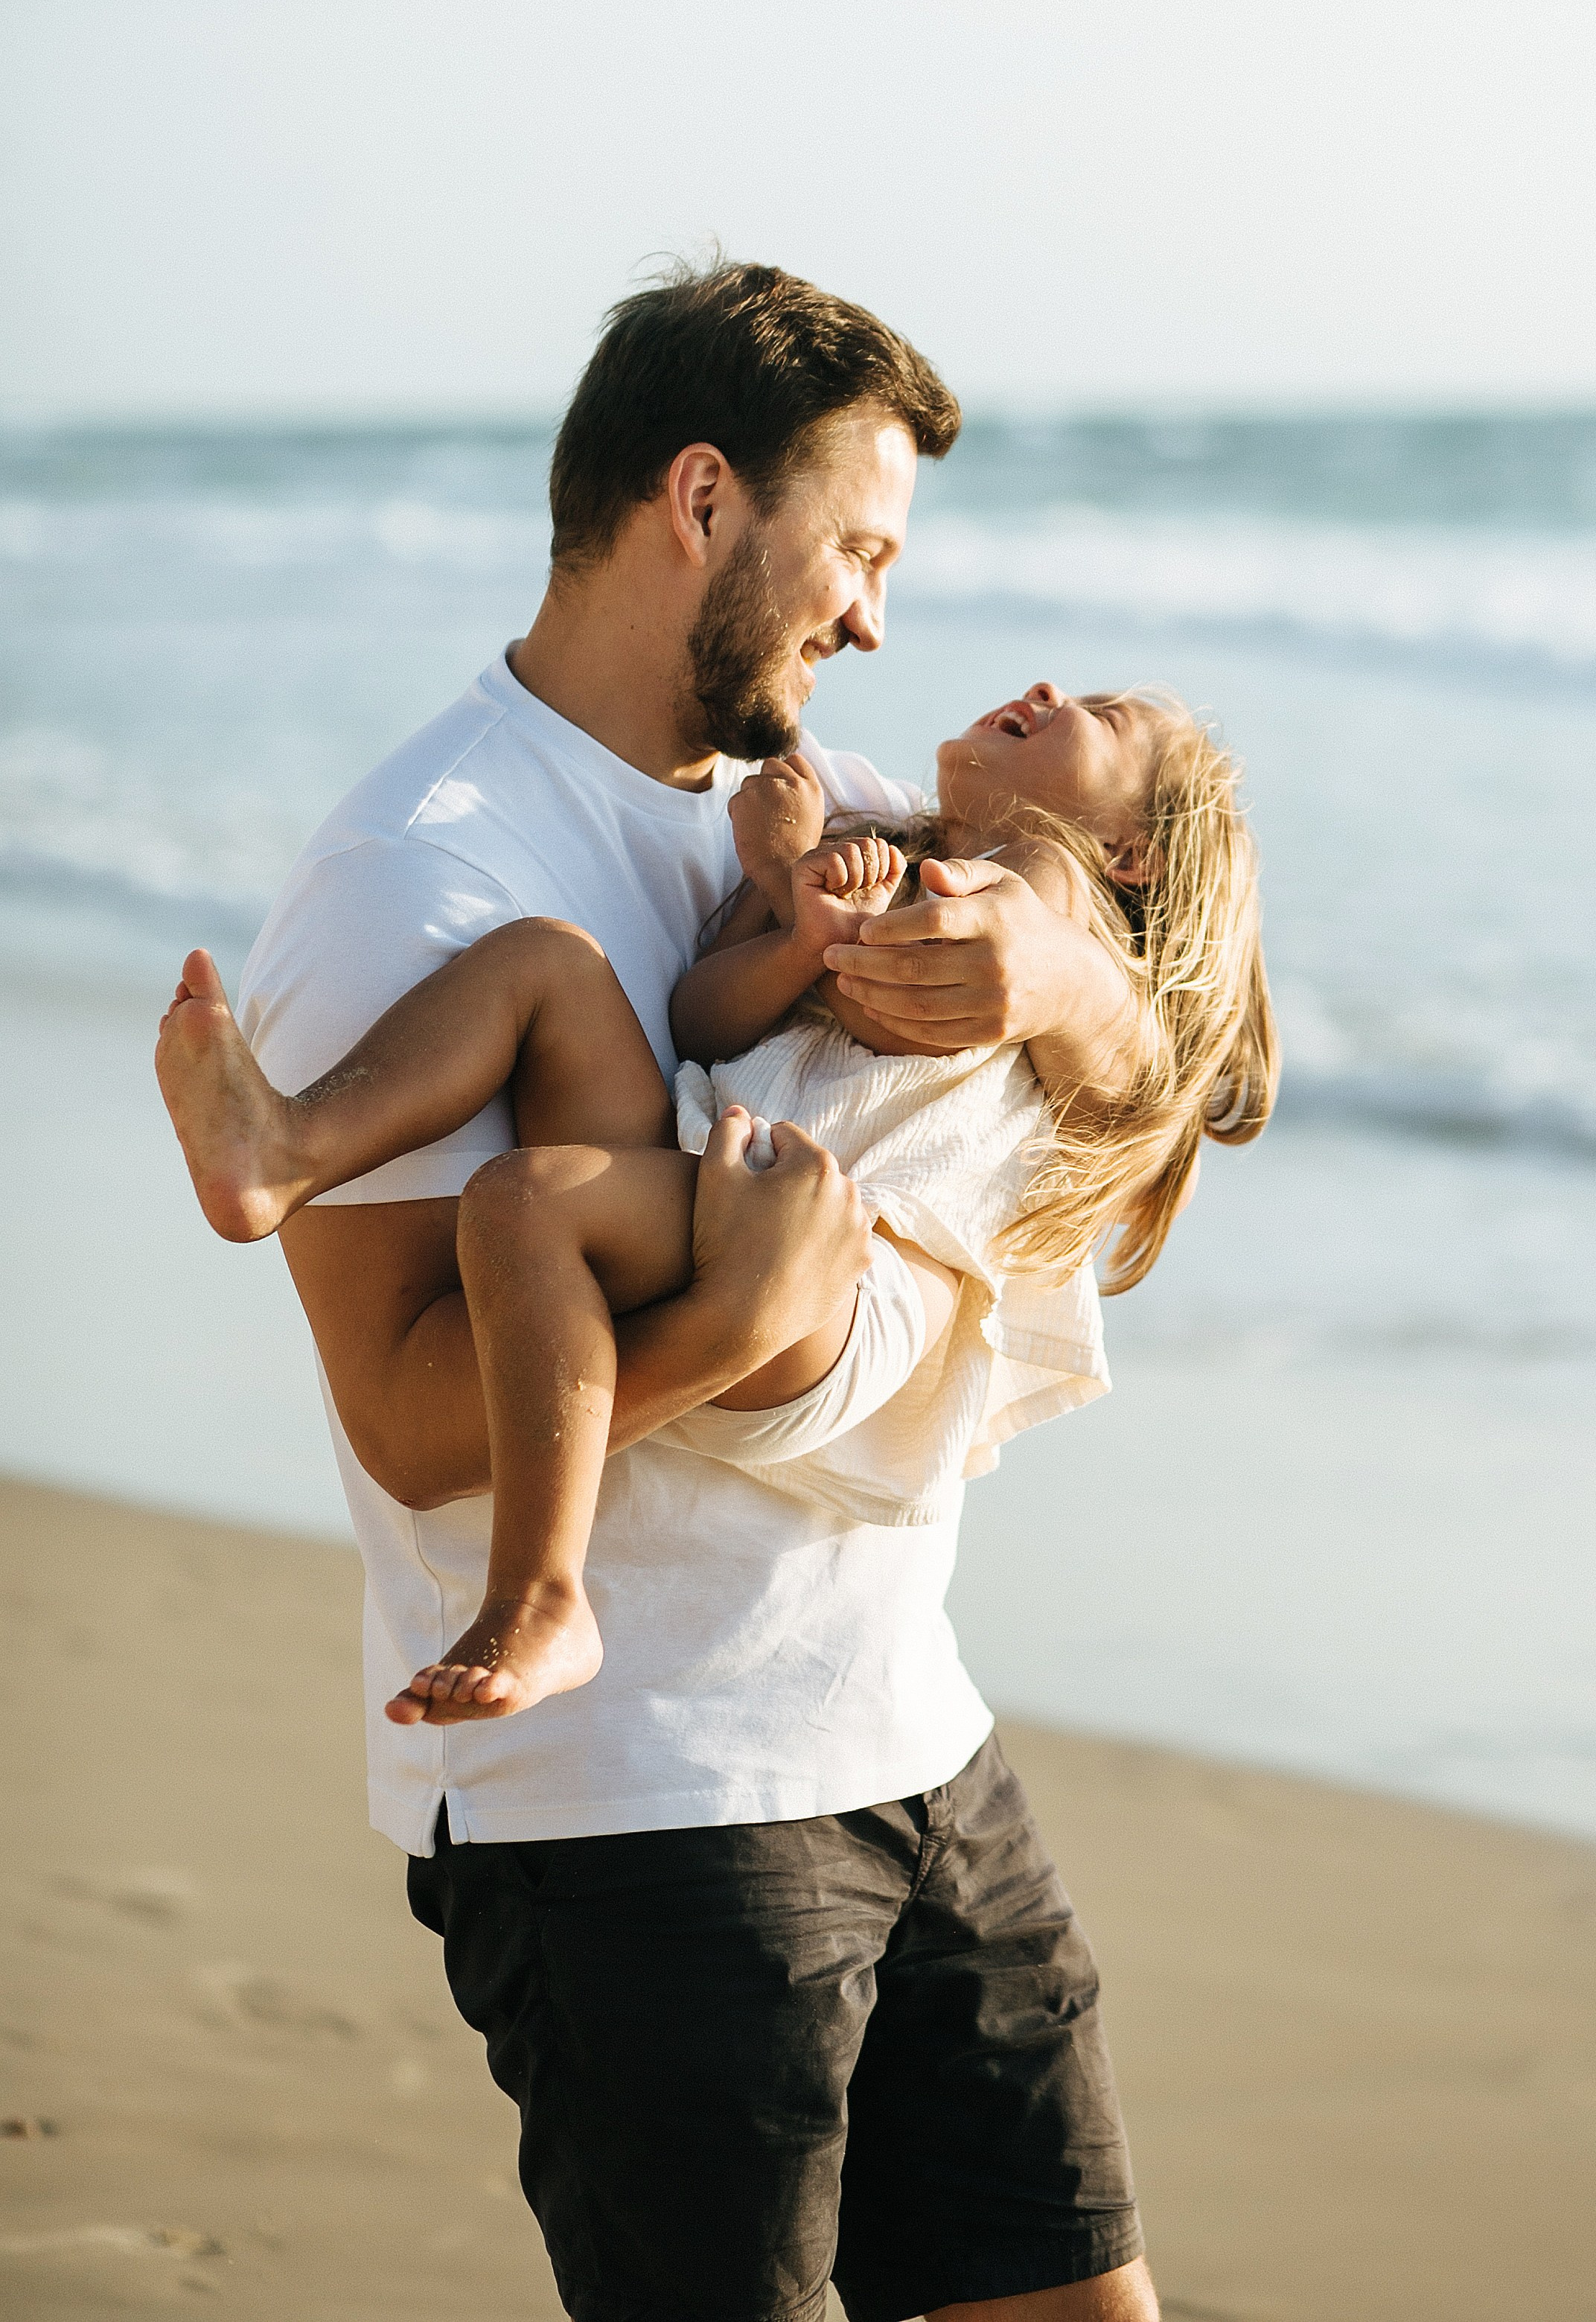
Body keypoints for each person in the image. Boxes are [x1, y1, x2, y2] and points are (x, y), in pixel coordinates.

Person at [211, 259, 1193, 2322]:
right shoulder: (426, 876)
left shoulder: (793, 810)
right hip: (647, 1805)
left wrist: (1078, 971)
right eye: (856, 548)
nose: (872, 617)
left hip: (905, 1729)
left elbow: (1189, 1088)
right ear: (700, 502)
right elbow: (406, 1412)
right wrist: (743, 1325)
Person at [156, 687, 1273, 1734]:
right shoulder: (881, 827)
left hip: (838, 1261)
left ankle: (542, 1592)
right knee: (547, 964)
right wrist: (788, 930)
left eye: (1104, 715)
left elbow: (904, 1013)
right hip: (708, 1167)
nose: (1046, 693)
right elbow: (700, 1015)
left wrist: (795, 873)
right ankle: (290, 1148)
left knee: (520, 1203)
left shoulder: (1048, 885)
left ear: (1131, 851)